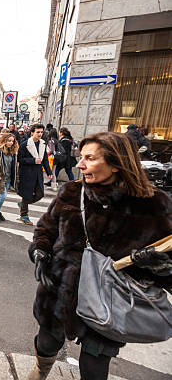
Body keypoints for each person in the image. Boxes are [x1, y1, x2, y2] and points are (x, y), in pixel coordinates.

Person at [27, 131, 172, 380]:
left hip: (112, 298)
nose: (79, 164)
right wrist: (40, 251)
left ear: (116, 164)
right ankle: (41, 369)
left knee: (95, 363)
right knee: (47, 343)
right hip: (60, 289)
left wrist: (160, 267)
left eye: (90, 158)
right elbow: (45, 229)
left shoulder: (154, 205)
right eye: (80, 157)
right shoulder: (72, 192)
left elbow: (167, 257)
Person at [17, 124, 52, 225]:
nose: (40, 134)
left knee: (40, 194)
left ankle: (23, 204)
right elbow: (20, 159)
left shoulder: (43, 144)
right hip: (27, 172)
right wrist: (33, 160)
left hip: (38, 173)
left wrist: (49, 172)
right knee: (27, 194)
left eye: (41, 132)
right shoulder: (25, 144)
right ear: (32, 133)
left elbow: (45, 159)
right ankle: (24, 215)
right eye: (38, 132)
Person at [0, 133, 18, 223]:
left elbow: (14, 167)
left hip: (8, 178)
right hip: (0, 178)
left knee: (2, 196)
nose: (11, 143)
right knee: (2, 195)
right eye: (9, 141)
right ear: (4, 141)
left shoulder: (13, 152)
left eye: (12, 141)